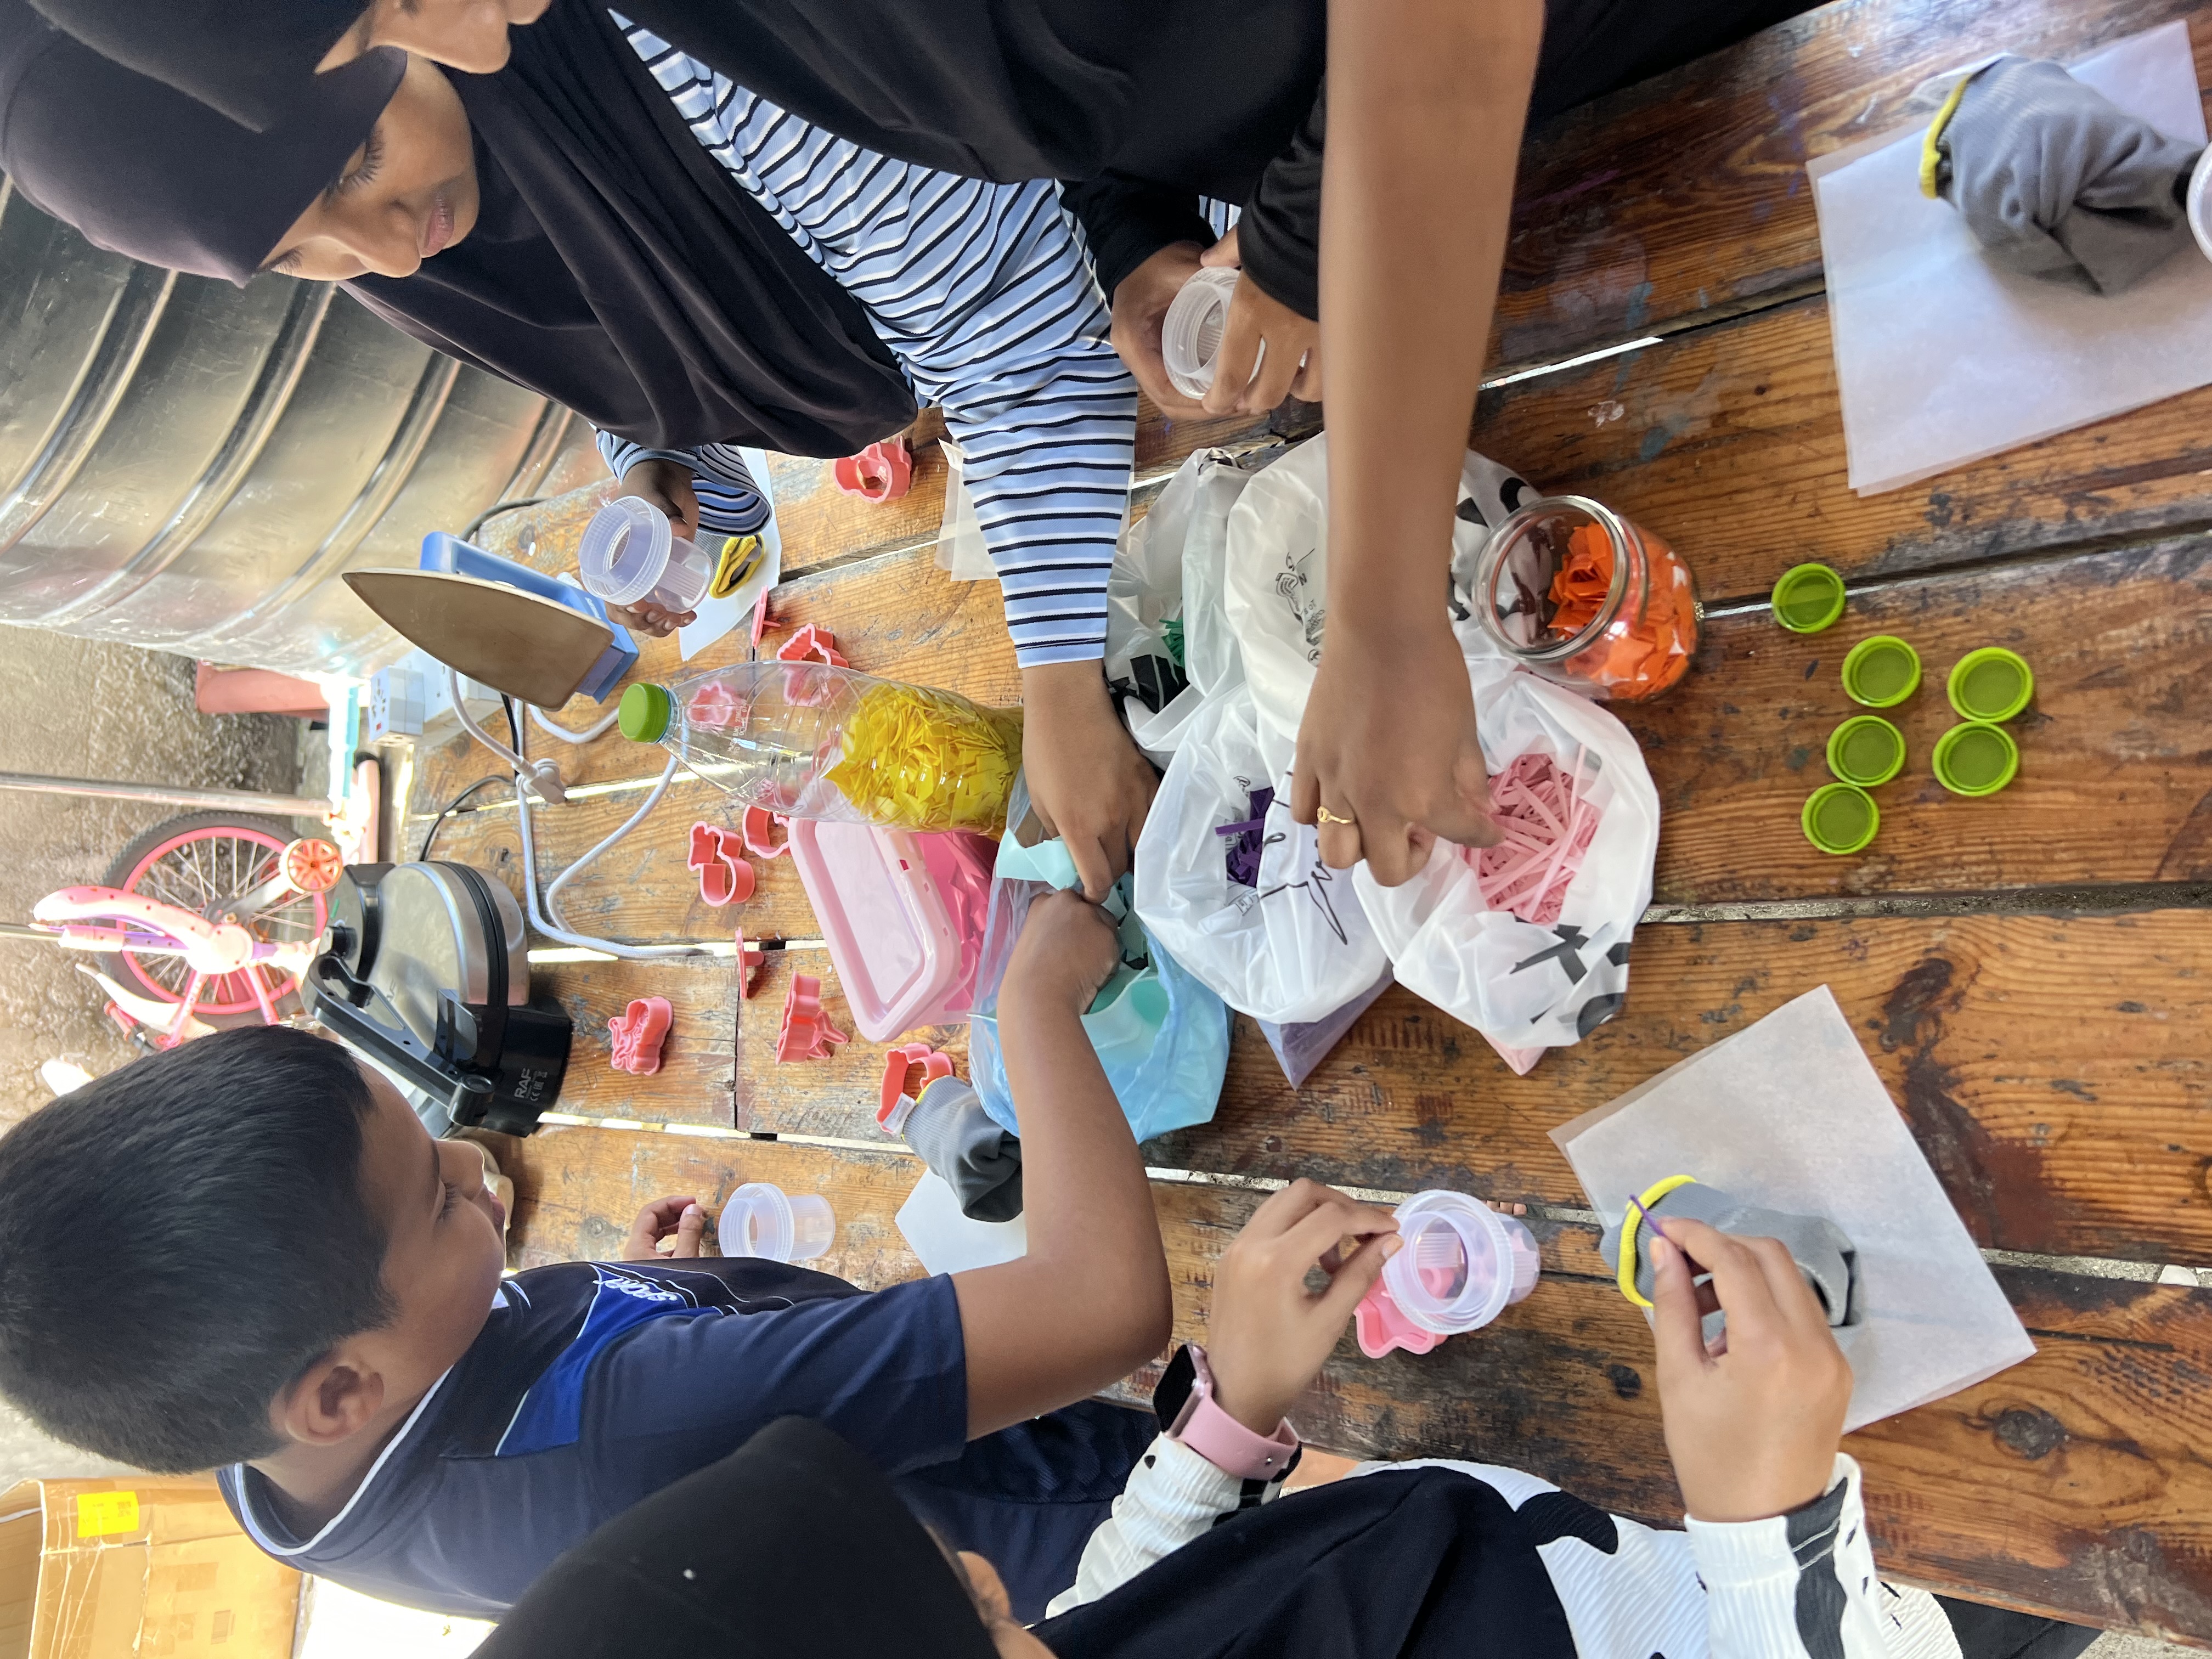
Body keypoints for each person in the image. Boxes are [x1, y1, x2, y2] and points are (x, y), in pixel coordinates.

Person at [36, 0, 1825, 889]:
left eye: (356, 44)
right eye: (301, 254)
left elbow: (1422, 42)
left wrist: (1377, 607)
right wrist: (1137, 232)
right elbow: (1049, 93)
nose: (439, 39)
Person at [0, 0, 1156, 897]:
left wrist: (1059, 689)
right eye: (299, 259)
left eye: (352, 165)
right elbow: (628, 327)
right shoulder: (425, 230)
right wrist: (654, 458)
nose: (388, 255)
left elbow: (1020, 325)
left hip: (1172, 221)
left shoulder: (675, 50)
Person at [0, 889, 1170, 1622]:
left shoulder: (271, 1465)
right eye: (435, 1199)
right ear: (339, 1392)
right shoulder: (638, 1425)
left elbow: (519, 1422)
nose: (472, 1159)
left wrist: (632, 1298)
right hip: (1089, 1524)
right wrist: (1034, 1007)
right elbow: (1103, 1303)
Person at [467, 1182, 2101, 1659]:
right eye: (962, 1611)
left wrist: (1224, 1422)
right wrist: (1768, 1539)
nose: (989, 1573)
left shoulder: (1049, 1643)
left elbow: (1106, 1615)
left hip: (1635, 1542)